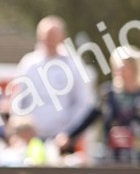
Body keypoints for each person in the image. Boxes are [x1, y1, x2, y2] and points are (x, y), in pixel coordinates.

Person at [7, 15, 96, 147]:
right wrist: (18, 129)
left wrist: (69, 133)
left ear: (62, 37)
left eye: (53, 36)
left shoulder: (74, 64)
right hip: (30, 139)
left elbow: (83, 102)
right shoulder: (28, 63)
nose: (49, 40)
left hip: (62, 140)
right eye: (46, 36)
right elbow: (17, 99)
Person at [58, 46, 140, 163]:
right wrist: (69, 136)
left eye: (125, 67)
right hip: (113, 158)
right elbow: (89, 119)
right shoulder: (107, 94)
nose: (121, 71)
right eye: (117, 67)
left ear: (135, 69)